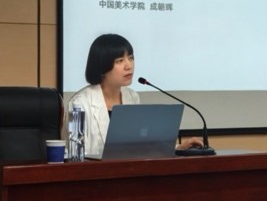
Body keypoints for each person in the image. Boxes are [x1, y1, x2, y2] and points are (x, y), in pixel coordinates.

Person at [66, 33, 202, 156]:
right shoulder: (79, 104)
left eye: (131, 58)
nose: (129, 66)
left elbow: (138, 145)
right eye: (120, 61)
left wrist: (178, 148)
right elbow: (74, 155)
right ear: (102, 66)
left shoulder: (131, 96)